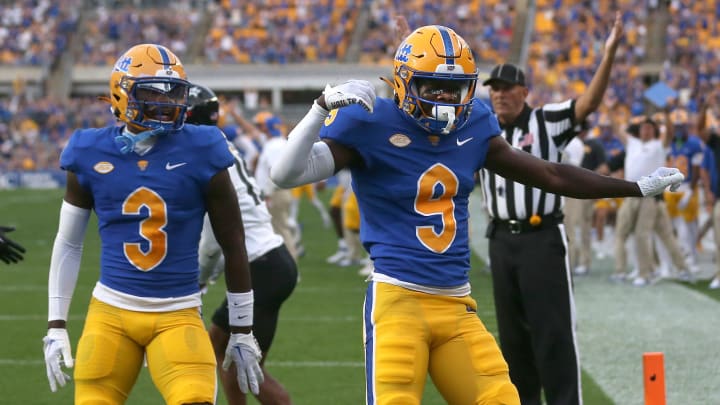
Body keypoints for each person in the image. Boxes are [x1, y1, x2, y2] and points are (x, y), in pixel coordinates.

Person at [268, 24, 682, 405]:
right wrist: (320, 107)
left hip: (456, 303)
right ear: (404, 82)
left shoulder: (477, 124)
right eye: (434, 86)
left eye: (456, 88)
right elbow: (286, 174)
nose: (447, 100)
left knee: (501, 398)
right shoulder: (369, 118)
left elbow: (551, 174)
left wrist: (633, 188)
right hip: (397, 300)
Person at [41, 44, 263, 404]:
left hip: (178, 312)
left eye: (174, 93)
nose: (167, 103)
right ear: (120, 92)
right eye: (151, 93)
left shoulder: (204, 147)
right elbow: (68, 242)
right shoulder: (88, 150)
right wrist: (55, 324)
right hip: (110, 314)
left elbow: (233, 241)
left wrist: (242, 329)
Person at [478, 13, 627, 404]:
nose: (499, 95)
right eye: (494, 89)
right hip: (500, 240)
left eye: (507, 88)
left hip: (541, 237)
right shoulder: (481, 128)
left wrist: (608, 53)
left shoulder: (545, 120)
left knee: (554, 334)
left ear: (525, 92)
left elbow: (589, 103)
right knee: (512, 341)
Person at [187, 83, 297, 405]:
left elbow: (214, 239)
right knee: (220, 348)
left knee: (246, 367)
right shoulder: (220, 144)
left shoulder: (202, 155)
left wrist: (199, 280)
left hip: (263, 267)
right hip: (269, 261)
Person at [612, 114, 692, 286]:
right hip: (632, 193)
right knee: (634, 233)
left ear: (654, 131)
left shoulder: (658, 146)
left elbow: (669, 134)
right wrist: (610, 111)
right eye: (643, 127)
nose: (645, 130)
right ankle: (670, 268)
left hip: (649, 196)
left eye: (649, 127)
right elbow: (617, 130)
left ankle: (646, 273)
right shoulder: (633, 143)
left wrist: (667, 113)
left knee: (644, 234)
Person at [563, 120, 609, 276]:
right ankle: (574, 260)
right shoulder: (572, 143)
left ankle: (584, 262)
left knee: (584, 227)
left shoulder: (594, 144)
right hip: (572, 189)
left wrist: (588, 180)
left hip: (585, 190)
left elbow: (604, 167)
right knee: (570, 226)